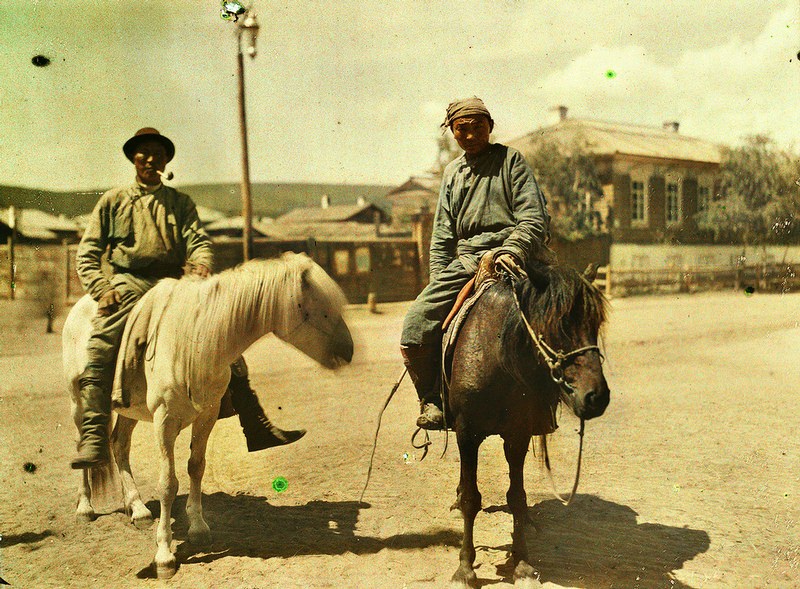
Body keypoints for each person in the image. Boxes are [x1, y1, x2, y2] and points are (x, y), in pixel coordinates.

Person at [71, 127, 305, 469]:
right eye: (143, 153)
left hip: (174, 285)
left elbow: (198, 241)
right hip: (129, 283)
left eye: (158, 154)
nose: (151, 159)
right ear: (133, 159)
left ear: (166, 161)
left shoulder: (180, 203)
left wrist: (199, 265)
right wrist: (101, 289)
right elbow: (87, 253)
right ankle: (94, 432)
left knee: (225, 342)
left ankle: (254, 423)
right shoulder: (113, 201)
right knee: (103, 339)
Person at [400, 97, 551, 430]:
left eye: (477, 127)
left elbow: (532, 217)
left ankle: (546, 401)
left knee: (558, 315)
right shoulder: (453, 173)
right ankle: (433, 399)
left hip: (515, 257)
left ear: (490, 127)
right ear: (453, 133)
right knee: (415, 324)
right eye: (461, 129)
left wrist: (513, 249)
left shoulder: (511, 162)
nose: (470, 136)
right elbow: (442, 236)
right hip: (468, 262)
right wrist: (440, 285)